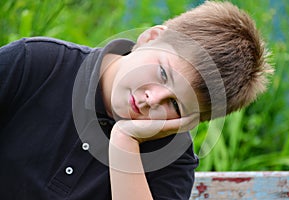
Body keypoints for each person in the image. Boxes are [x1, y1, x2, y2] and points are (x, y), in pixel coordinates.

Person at [0, 1, 272, 200]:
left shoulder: (171, 159)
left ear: (188, 122)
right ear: (150, 38)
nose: (151, 99)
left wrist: (124, 142)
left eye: (174, 105)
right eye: (162, 73)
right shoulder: (35, 63)